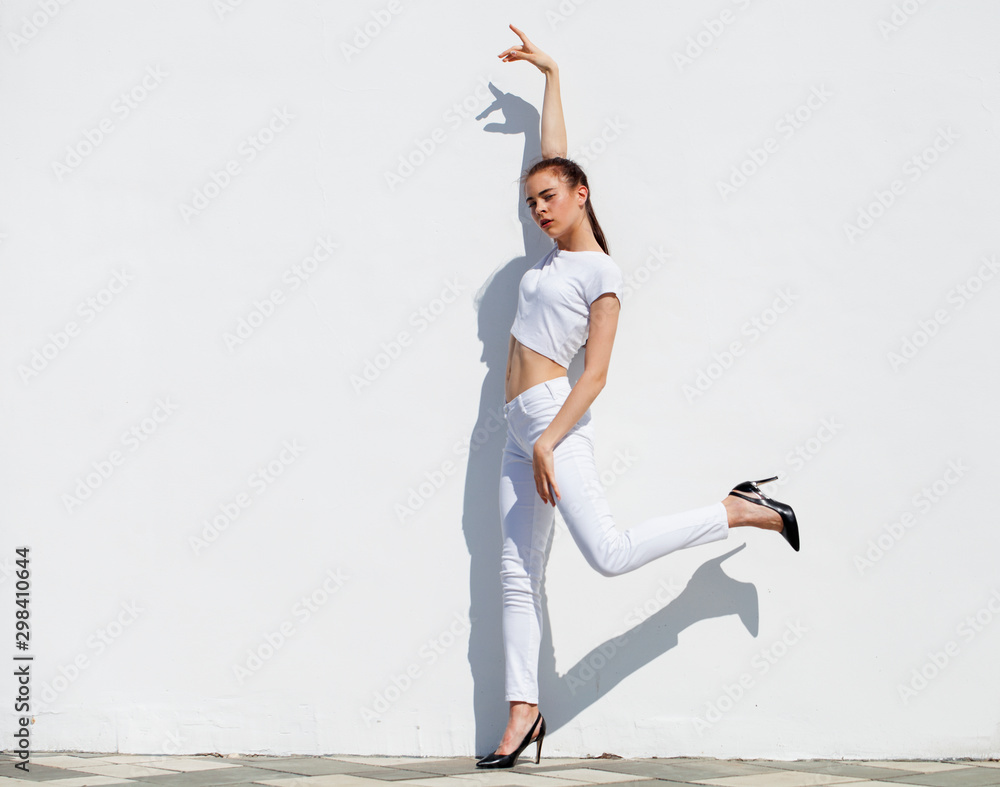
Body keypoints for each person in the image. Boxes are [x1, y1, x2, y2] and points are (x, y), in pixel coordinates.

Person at [475, 26, 800, 770]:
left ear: (581, 194)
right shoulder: (549, 253)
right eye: (531, 201)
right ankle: (522, 712)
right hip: (514, 428)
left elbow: (596, 376)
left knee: (610, 552)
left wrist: (552, 438)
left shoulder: (601, 274)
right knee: (515, 571)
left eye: (549, 197)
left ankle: (738, 507)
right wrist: (550, 72)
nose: (538, 207)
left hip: (555, 421)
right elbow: (552, 153)